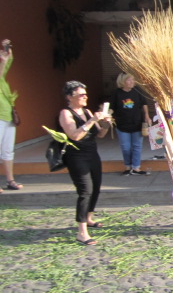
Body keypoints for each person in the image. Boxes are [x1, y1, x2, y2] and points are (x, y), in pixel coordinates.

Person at [59, 81, 110, 245]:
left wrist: (106, 123)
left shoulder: (87, 111)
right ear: (69, 97)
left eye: (85, 94)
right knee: (85, 191)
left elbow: (100, 134)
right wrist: (91, 121)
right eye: (81, 94)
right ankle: (82, 232)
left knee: (96, 187)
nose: (85, 96)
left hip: (92, 154)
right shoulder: (65, 113)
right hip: (76, 156)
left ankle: (89, 218)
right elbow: (74, 135)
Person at [110, 72, 152, 175]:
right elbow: (112, 107)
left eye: (133, 80)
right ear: (123, 81)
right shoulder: (116, 93)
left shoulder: (137, 91)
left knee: (137, 146)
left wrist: (147, 115)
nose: (132, 82)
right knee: (126, 147)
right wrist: (106, 116)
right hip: (122, 124)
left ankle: (136, 168)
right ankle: (128, 167)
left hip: (137, 124)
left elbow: (144, 104)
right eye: (129, 80)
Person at [0, 39, 23, 192]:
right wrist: (3, 62)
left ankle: (10, 180)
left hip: (7, 115)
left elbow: (8, 61)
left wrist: (7, 51)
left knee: (8, 150)